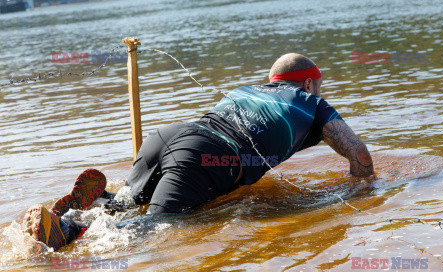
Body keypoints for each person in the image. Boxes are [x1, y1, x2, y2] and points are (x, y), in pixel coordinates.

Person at [22, 53, 374, 252]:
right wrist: (363, 192)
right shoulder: (312, 102)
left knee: (130, 203)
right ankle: (67, 232)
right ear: (309, 83)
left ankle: (98, 202)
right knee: (158, 225)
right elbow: (359, 153)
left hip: (169, 135)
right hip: (208, 154)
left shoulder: (246, 89)